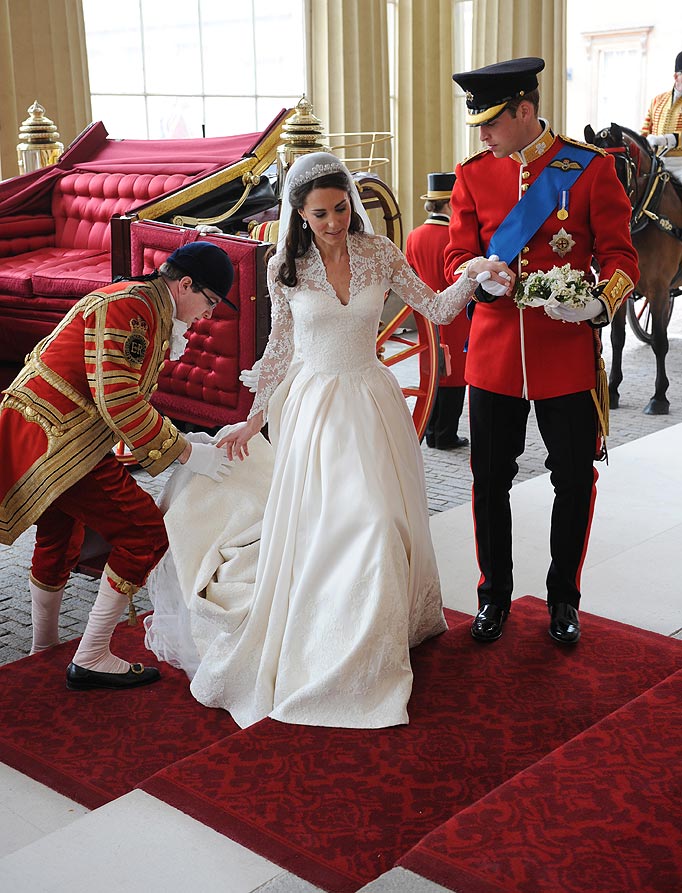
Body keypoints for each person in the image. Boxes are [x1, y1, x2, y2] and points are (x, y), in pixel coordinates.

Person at [145, 151, 494, 730]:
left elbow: (432, 306)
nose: (333, 222)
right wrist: (253, 421)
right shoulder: (287, 266)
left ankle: (375, 638)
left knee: (381, 522)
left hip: (371, 403)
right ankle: (326, 629)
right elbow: (280, 352)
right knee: (326, 527)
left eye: (340, 209)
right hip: (312, 409)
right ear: (300, 214)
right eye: (320, 213)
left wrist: (472, 278)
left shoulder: (379, 252)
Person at [444, 57, 639, 645]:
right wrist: (478, 277)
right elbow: (457, 258)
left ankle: (563, 599)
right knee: (488, 481)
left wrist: (599, 305)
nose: (481, 134)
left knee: (574, 480)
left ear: (525, 111)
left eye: (491, 121)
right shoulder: (474, 174)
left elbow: (621, 257)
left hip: (566, 355)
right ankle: (493, 597)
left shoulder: (590, 169)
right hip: (497, 357)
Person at [0, 241, 236, 690]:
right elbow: (120, 400)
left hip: (51, 429)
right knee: (146, 533)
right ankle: (90, 656)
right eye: (208, 302)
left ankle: (44, 649)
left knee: (59, 535)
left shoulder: (140, 302)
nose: (207, 315)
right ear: (185, 284)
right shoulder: (135, 309)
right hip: (63, 440)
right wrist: (187, 452)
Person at [406, 171, 470, 450]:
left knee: (433, 373)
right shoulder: (453, 238)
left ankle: (431, 430)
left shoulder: (414, 235)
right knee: (455, 377)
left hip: (425, 316)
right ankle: (445, 434)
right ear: (449, 204)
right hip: (454, 317)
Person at [641, 52, 682, 185]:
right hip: (656, 162)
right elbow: (644, 130)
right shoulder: (657, 101)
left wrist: (666, 139)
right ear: (676, 77)